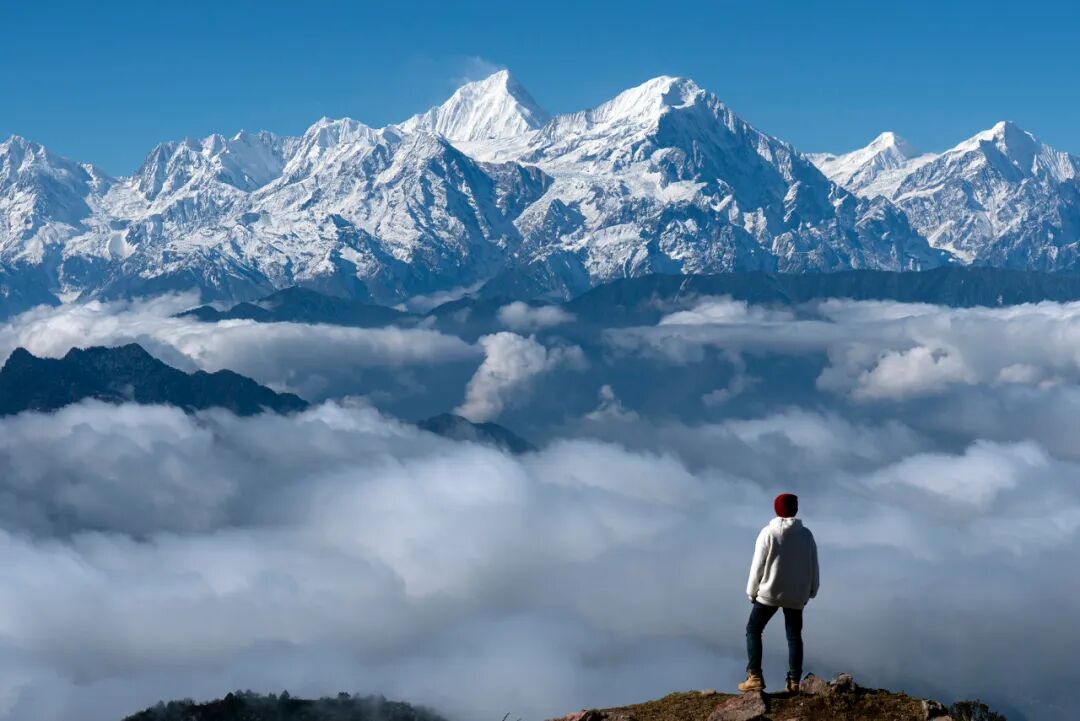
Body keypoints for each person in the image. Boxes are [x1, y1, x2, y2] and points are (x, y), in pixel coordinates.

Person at [737, 492, 819, 694]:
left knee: (753, 629)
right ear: (795, 509)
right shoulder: (806, 535)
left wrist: (751, 591)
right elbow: (813, 565)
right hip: (797, 595)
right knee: (793, 636)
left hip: (769, 592)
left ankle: (754, 676)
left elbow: (758, 566)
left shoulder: (768, 533)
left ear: (776, 509)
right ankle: (794, 682)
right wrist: (812, 590)